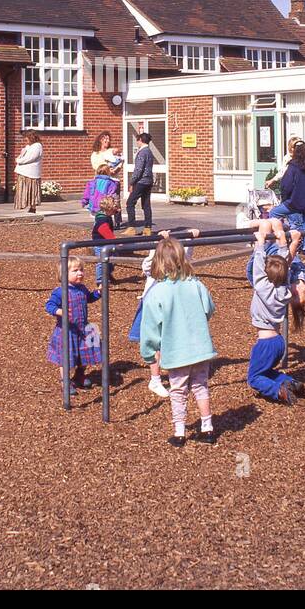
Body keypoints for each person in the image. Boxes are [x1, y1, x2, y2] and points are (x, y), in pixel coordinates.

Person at [138, 236, 218, 446]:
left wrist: (148, 351)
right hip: (200, 348)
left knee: (178, 390)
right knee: (201, 386)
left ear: (159, 262)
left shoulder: (157, 293)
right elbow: (209, 309)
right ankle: (207, 427)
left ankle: (180, 432)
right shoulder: (196, 284)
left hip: (177, 351)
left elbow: (150, 327)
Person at [128, 228, 201, 400]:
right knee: (156, 344)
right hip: (154, 306)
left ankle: (176, 373)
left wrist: (190, 238)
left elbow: (185, 257)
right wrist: (158, 244)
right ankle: (155, 379)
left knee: (172, 341)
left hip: (173, 308)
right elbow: (147, 265)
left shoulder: (181, 267)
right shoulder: (155, 269)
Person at [247, 229, 305, 405]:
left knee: (254, 377)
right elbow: (286, 265)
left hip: (265, 344)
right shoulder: (285, 290)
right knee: (265, 370)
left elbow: (259, 268)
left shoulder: (263, 288)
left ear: (266, 277)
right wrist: (284, 242)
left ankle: (278, 391)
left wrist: (260, 244)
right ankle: (290, 382)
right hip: (279, 343)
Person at [43, 257, 102, 391]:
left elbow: (89, 298)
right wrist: (59, 311)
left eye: (81, 270)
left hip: (83, 328)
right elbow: (49, 305)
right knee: (66, 357)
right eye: (75, 270)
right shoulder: (60, 291)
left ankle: (79, 376)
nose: (80, 273)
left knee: (86, 354)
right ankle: (65, 381)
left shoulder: (82, 288)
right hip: (67, 330)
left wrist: (98, 293)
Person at [126, 131, 155, 235]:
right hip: (149, 181)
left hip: (141, 181)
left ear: (141, 140)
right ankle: (148, 228)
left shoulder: (142, 152)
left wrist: (132, 182)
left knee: (130, 203)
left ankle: (131, 227)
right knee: (146, 204)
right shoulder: (150, 152)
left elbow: (138, 169)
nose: (137, 143)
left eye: (137, 140)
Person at [91, 192, 118, 286]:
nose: (115, 212)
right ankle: (100, 280)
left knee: (112, 259)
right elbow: (103, 230)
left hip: (107, 242)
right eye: (114, 210)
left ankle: (107, 273)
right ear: (109, 209)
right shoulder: (103, 219)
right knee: (101, 261)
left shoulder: (107, 216)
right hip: (100, 243)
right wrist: (114, 240)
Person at [14, 130, 43, 212]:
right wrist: (20, 157)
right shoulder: (28, 146)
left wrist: (19, 161)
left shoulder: (37, 146)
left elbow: (30, 158)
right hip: (23, 172)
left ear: (31, 137)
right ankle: (23, 205)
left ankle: (33, 207)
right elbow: (22, 155)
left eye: (26, 137)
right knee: (23, 190)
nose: (25, 139)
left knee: (32, 191)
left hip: (31, 173)